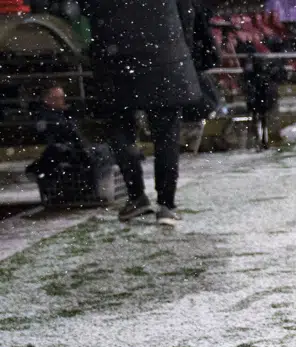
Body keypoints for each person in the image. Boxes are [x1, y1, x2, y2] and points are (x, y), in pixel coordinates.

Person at [80, 0, 203, 225]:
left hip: (115, 59)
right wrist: (179, 45)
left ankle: (136, 195)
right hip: (165, 58)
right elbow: (187, 12)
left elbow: (88, 11)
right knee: (166, 135)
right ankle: (166, 204)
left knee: (119, 129)